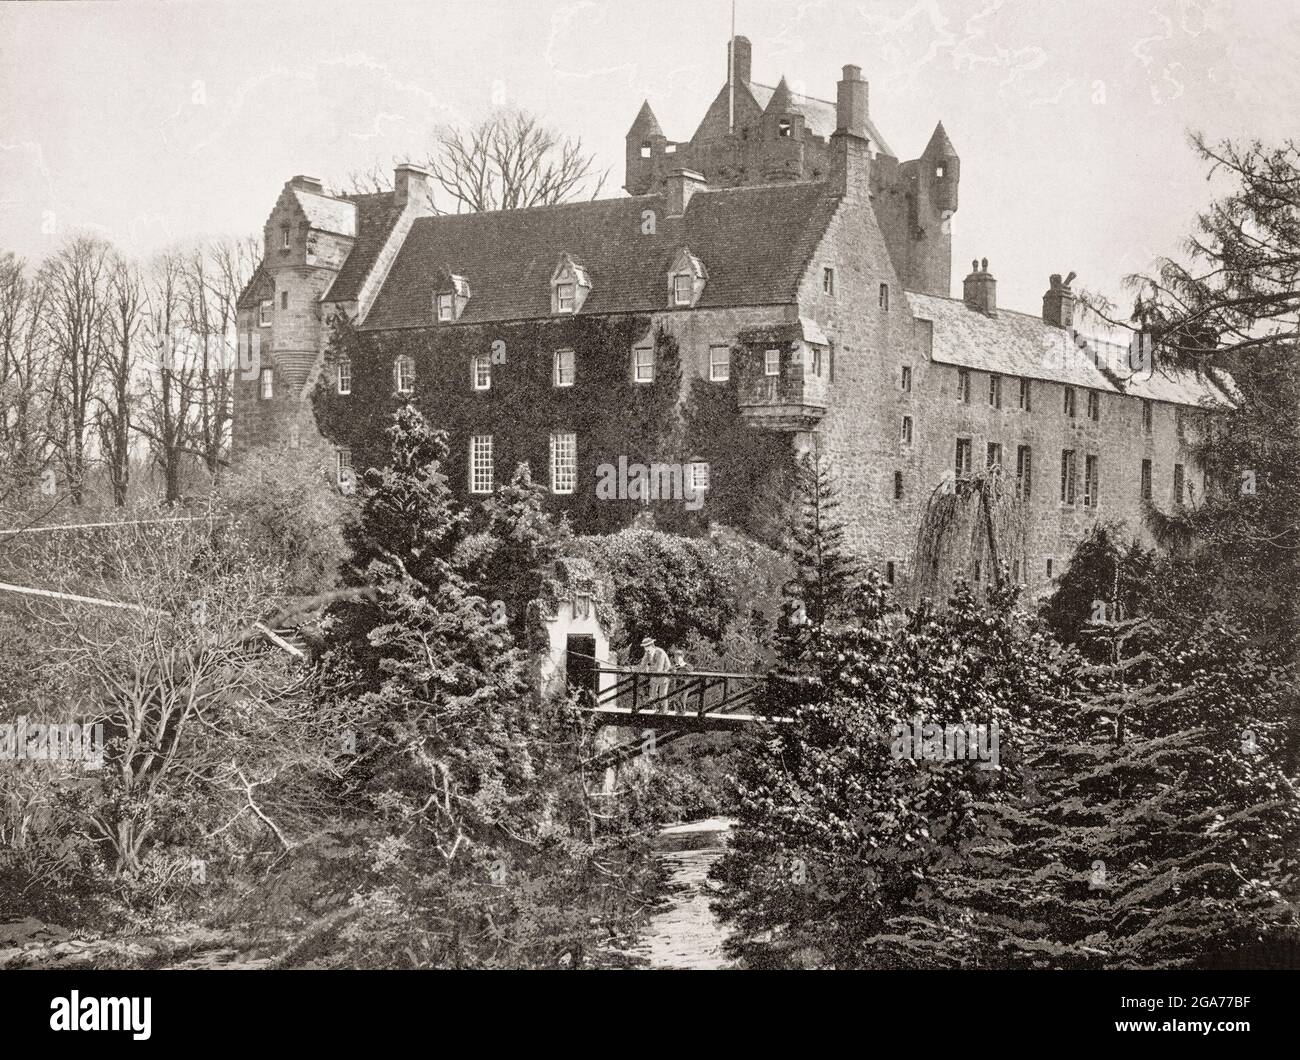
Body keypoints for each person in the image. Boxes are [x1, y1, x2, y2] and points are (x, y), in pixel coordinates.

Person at [637, 636, 671, 712]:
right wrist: (639, 669)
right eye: (644, 647)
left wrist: (648, 669)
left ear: (652, 645)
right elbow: (642, 665)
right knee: (652, 695)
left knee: (662, 695)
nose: (645, 648)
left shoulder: (660, 652)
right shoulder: (647, 653)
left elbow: (659, 668)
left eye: (647, 646)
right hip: (654, 676)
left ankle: (664, 711)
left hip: (664, 675)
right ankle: (657, 709)